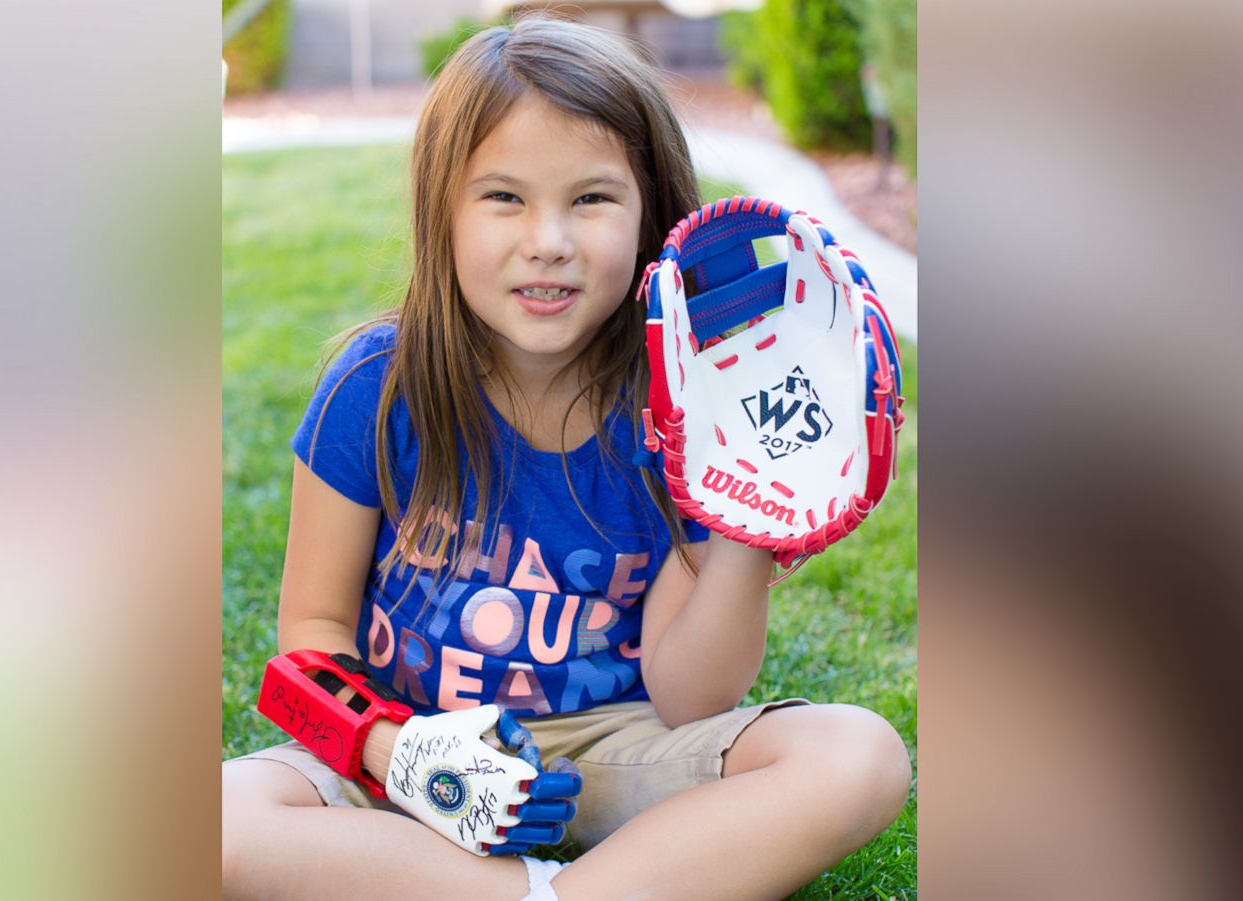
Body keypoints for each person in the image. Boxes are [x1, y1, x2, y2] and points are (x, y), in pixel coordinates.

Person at [222, 16, 911, 901]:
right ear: (442, 212)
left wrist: (749, 528)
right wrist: (399, 754)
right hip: (414, 754)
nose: (548, 238)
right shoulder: (373, 388)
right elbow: (312, 636)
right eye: (504, 197)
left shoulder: (690, 417)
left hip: (608, 751)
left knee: (858, 756)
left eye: (591, 199)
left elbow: (689, 694)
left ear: (653, 216)